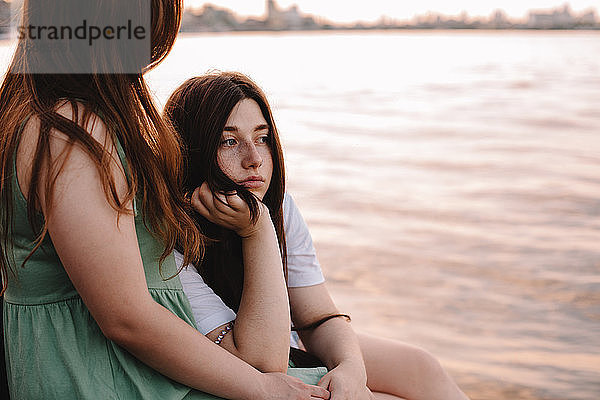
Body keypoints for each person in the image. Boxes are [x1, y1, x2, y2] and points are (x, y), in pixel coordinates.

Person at [0, 1, 331, 399]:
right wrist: (263, 388)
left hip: (119, 368)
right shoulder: (72, 130)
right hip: (108, 377)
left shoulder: (34, 115)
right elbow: (125, 317)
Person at [164, 71, 471, 400]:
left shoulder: (277, 206)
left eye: (262, 138)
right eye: (230, 141)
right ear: (191, 150)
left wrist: (351, 367)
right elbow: (261, 362)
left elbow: (316, 316)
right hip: (239, 371)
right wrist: (257, 232)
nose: (254, 159)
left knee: (421, 367)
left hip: (287, 342)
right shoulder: (167, 238)